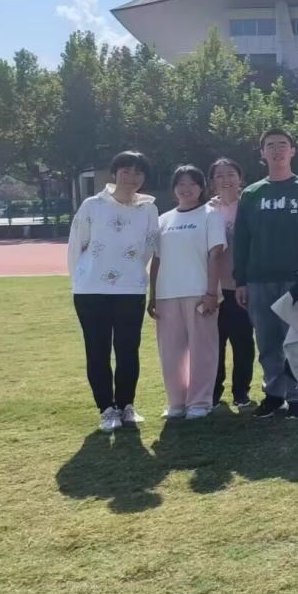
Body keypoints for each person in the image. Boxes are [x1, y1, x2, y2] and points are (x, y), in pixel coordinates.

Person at [232, 128, 298, 420]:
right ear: (262, 153)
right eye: (270, 145)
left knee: (296, 341)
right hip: (259, 280)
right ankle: (274, 395)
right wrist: (241, 281)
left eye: (282, 144)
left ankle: (297, 396)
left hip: (297, 281)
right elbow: (242, 240)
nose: (277, 150)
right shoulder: (251, 193)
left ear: (292, 150)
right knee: (267, 342)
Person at [67, 150, 159, 432]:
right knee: (97, 350)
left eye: (138, 172)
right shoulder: (92, 205)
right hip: (91, 290)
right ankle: (106, 409)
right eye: (126, 171)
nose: (132, 177)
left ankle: (126, 404)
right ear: (114, 173)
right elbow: (76, 245)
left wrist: (133, 274)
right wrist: (80, 280)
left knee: (128, 349)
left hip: (130, 289)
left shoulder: (149, 209)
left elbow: (148, 249)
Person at [149, 165, 227, 420]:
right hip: (167, 294)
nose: (186, 188)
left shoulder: (210, 215)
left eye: (192, 183)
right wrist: (152, 295)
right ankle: (176, 402)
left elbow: (215, 254)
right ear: (174, 188)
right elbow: (157, 259)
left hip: (199, 292)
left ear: (201, 188)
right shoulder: (163, 219)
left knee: (202, 349)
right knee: (171, 353)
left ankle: (200, 402)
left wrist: (211, 293)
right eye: (181, 183)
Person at [208, 158, 256, 410]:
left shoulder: (250, 206)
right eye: (219, 175)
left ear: (240, 179)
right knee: (214, 344)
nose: (225, 180)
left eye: (230, 174)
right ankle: (213, 392)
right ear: (212, 181)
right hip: (213, 289)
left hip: (240, 287)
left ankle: (241, 392)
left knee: (243, 343)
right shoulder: (207, 210)